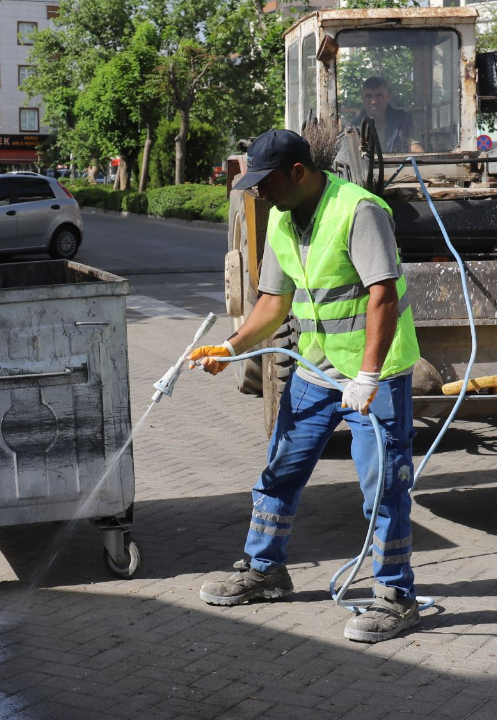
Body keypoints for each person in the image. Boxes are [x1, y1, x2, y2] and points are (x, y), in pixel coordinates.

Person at [190, 129, 421, 643]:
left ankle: (397, 598)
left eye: (264, 182)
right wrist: (231, 348)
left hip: (374, 376)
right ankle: (265, 571)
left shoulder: (360, 211)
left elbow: (382, 296)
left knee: (383, 488)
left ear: (298, 172)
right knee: (278, 472)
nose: (257, 193)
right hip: (313, 373)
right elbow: (273, 303)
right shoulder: (278, 218)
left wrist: (366, 376)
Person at [358, 76, 422, 154]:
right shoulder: (353, 127)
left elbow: (416, 149)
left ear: (388, 96)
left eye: (379, 95)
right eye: (369, 96)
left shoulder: (405, 121)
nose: (373, 101)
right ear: (362, 98)